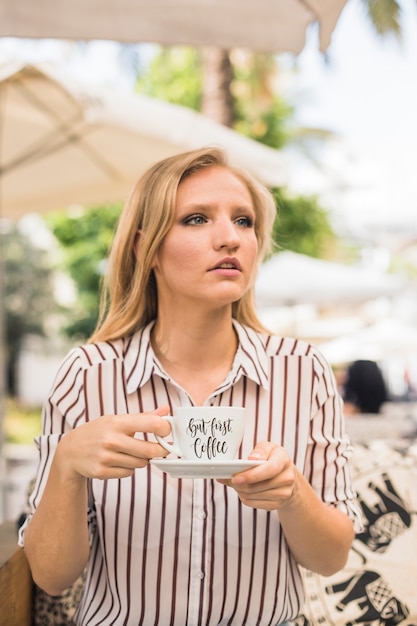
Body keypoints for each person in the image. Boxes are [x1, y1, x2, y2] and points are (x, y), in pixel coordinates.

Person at [19, 147, 359, 626]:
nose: (230, 239)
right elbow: (51, 576)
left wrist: (292, 495)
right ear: (145, 248)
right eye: (197, 219)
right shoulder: (87, 373)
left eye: (244, 221)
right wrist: (69, 464)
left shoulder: (303, 370)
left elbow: (331, 558)